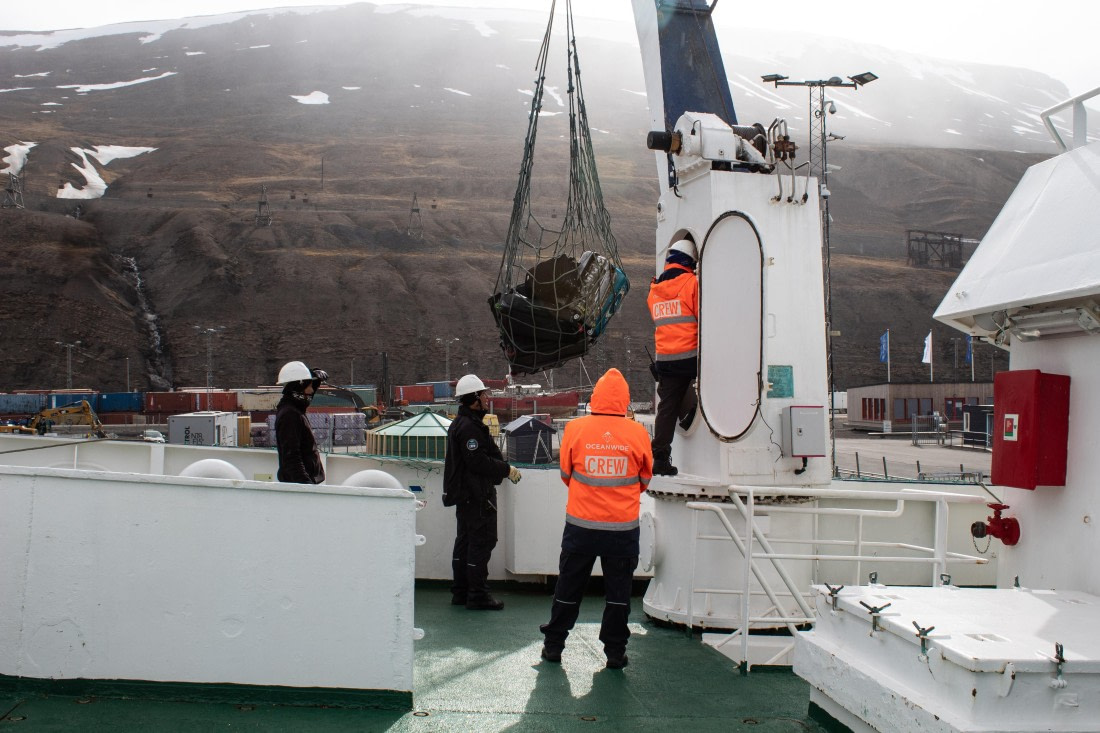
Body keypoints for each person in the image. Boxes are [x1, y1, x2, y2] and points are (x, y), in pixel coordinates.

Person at [540, 368, 652, 669]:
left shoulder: (575, 429)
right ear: (625, 401)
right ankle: (615, 652)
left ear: (595, 398)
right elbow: (645, 479)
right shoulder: (638, 432)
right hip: (622, 530)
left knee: (569, 587)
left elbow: (566, 474)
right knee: (618, 595)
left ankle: (554, 645)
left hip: (581, 527)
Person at [443, 373, 521, 610]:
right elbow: (476, 461)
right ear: (475, 398)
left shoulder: (461, 423)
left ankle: (461, 592)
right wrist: (506, 469)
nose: (487, 397)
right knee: (481, 543)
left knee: (465, 543)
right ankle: (477, 595)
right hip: (477, 496)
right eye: (484, 394)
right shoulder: (470, 427)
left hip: (465, 496)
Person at [646, 238, 699, 476]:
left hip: (665, 360)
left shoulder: (654, 291)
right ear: (689, 262)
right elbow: (704, 318)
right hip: (691, 358)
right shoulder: (692, 284)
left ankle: (659, 458)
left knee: (666, 408)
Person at [275, 360, 328, 484]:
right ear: (298, 386)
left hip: (300, 484)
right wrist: (305, 487)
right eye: (308, 386)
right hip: (299, 486)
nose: (311, 390)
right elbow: (292, 458)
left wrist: (314, 379)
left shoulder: (294, 408)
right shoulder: (290, 415)